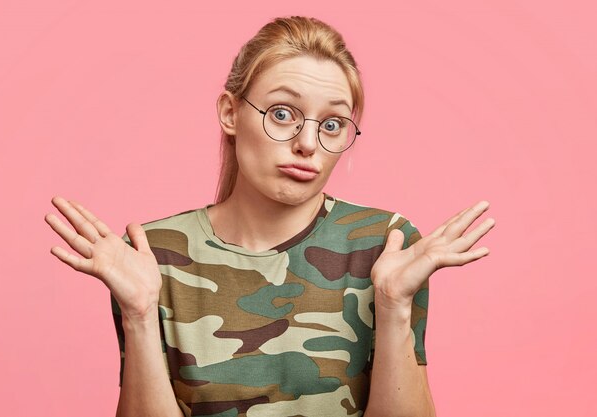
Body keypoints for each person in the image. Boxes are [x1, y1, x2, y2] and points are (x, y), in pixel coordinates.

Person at [45, 16, 494, 417]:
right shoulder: (152, 255)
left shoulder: (384, 244)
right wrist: (139, 314)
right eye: (283, 114)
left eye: (332, 123)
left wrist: (394, 306)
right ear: (229, 113)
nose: (308, 144)